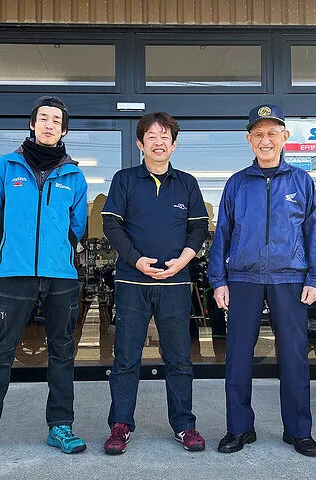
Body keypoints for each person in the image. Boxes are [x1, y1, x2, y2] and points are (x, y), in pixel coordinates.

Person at [0, 96, 88, 460]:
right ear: (32, 124)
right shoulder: (6, 166)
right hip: (14, 273)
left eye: (56, 120)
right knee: (0, 353)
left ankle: (61, 427)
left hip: (60, 275)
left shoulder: (74, 176)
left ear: (63, 129)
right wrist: (11, 248)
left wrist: (59, 249)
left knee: (62, 352)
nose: (49, 124)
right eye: (43, 118)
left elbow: (77, 225)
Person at [207, 104, 316, 457]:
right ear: (249, 139)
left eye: (272, 133)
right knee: (237, 356)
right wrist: (218, 280)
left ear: (285, 136)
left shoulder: (301, 182)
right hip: (243, 278)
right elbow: (222, 233)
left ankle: (298, 431)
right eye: (258, 134)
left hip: (289, 278)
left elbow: (314, 232)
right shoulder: (237, 183)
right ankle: (239, 428)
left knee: (294, 357)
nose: (265, 140)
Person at [101, 112, 208, 454]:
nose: (158, 142)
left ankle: (184, 425)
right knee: (126, 358)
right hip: (132, 281)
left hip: (175, 283)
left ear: (173, 145)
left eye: (165, 137)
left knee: (179, 358)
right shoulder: (125, 180)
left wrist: (184, 260)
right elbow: (111, 225)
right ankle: (120, 425)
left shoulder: (187, 183)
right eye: (152, 136)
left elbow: (199, 227)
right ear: (140, 143)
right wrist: (136, 260)